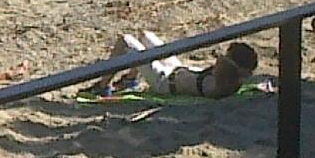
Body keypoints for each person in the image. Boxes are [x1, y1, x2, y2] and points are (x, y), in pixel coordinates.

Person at [101, 34, 258, 98]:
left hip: (163, 81)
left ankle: (103, 85)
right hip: (176, 69)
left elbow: (226, 72)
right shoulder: (229, 78)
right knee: (145, 36)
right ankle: (130, 79)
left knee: (126, 41)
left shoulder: (221, 82)